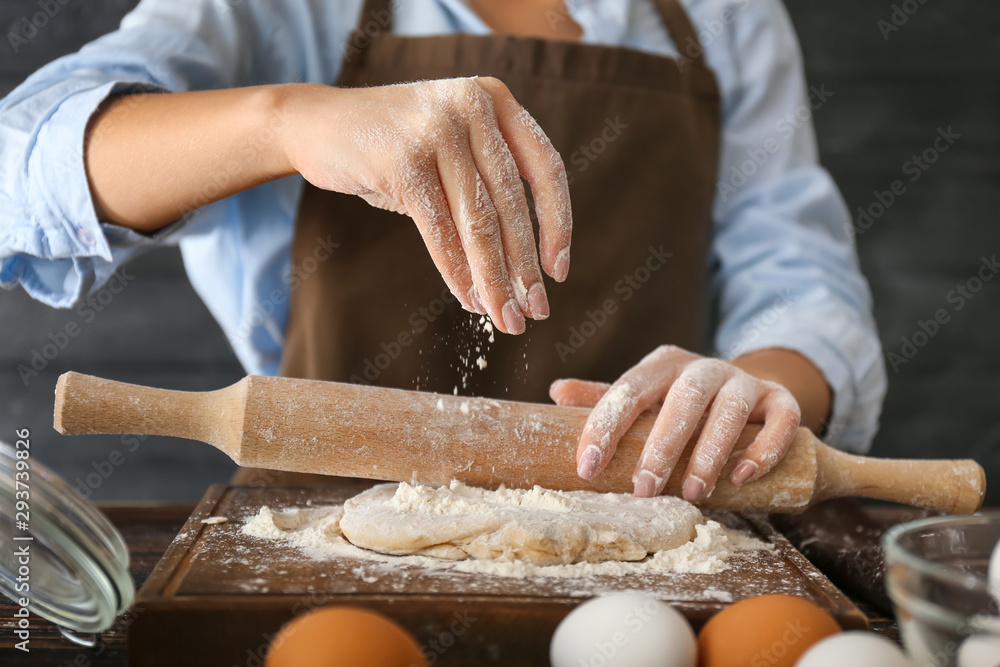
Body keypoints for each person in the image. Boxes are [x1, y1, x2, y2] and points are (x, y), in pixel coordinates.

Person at [0, 0, 885, 502]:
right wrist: (287, 119)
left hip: (651, 528)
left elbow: (798, 272)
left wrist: (759, 384)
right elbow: (18, 168)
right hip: (323, 524)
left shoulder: (726, 16)